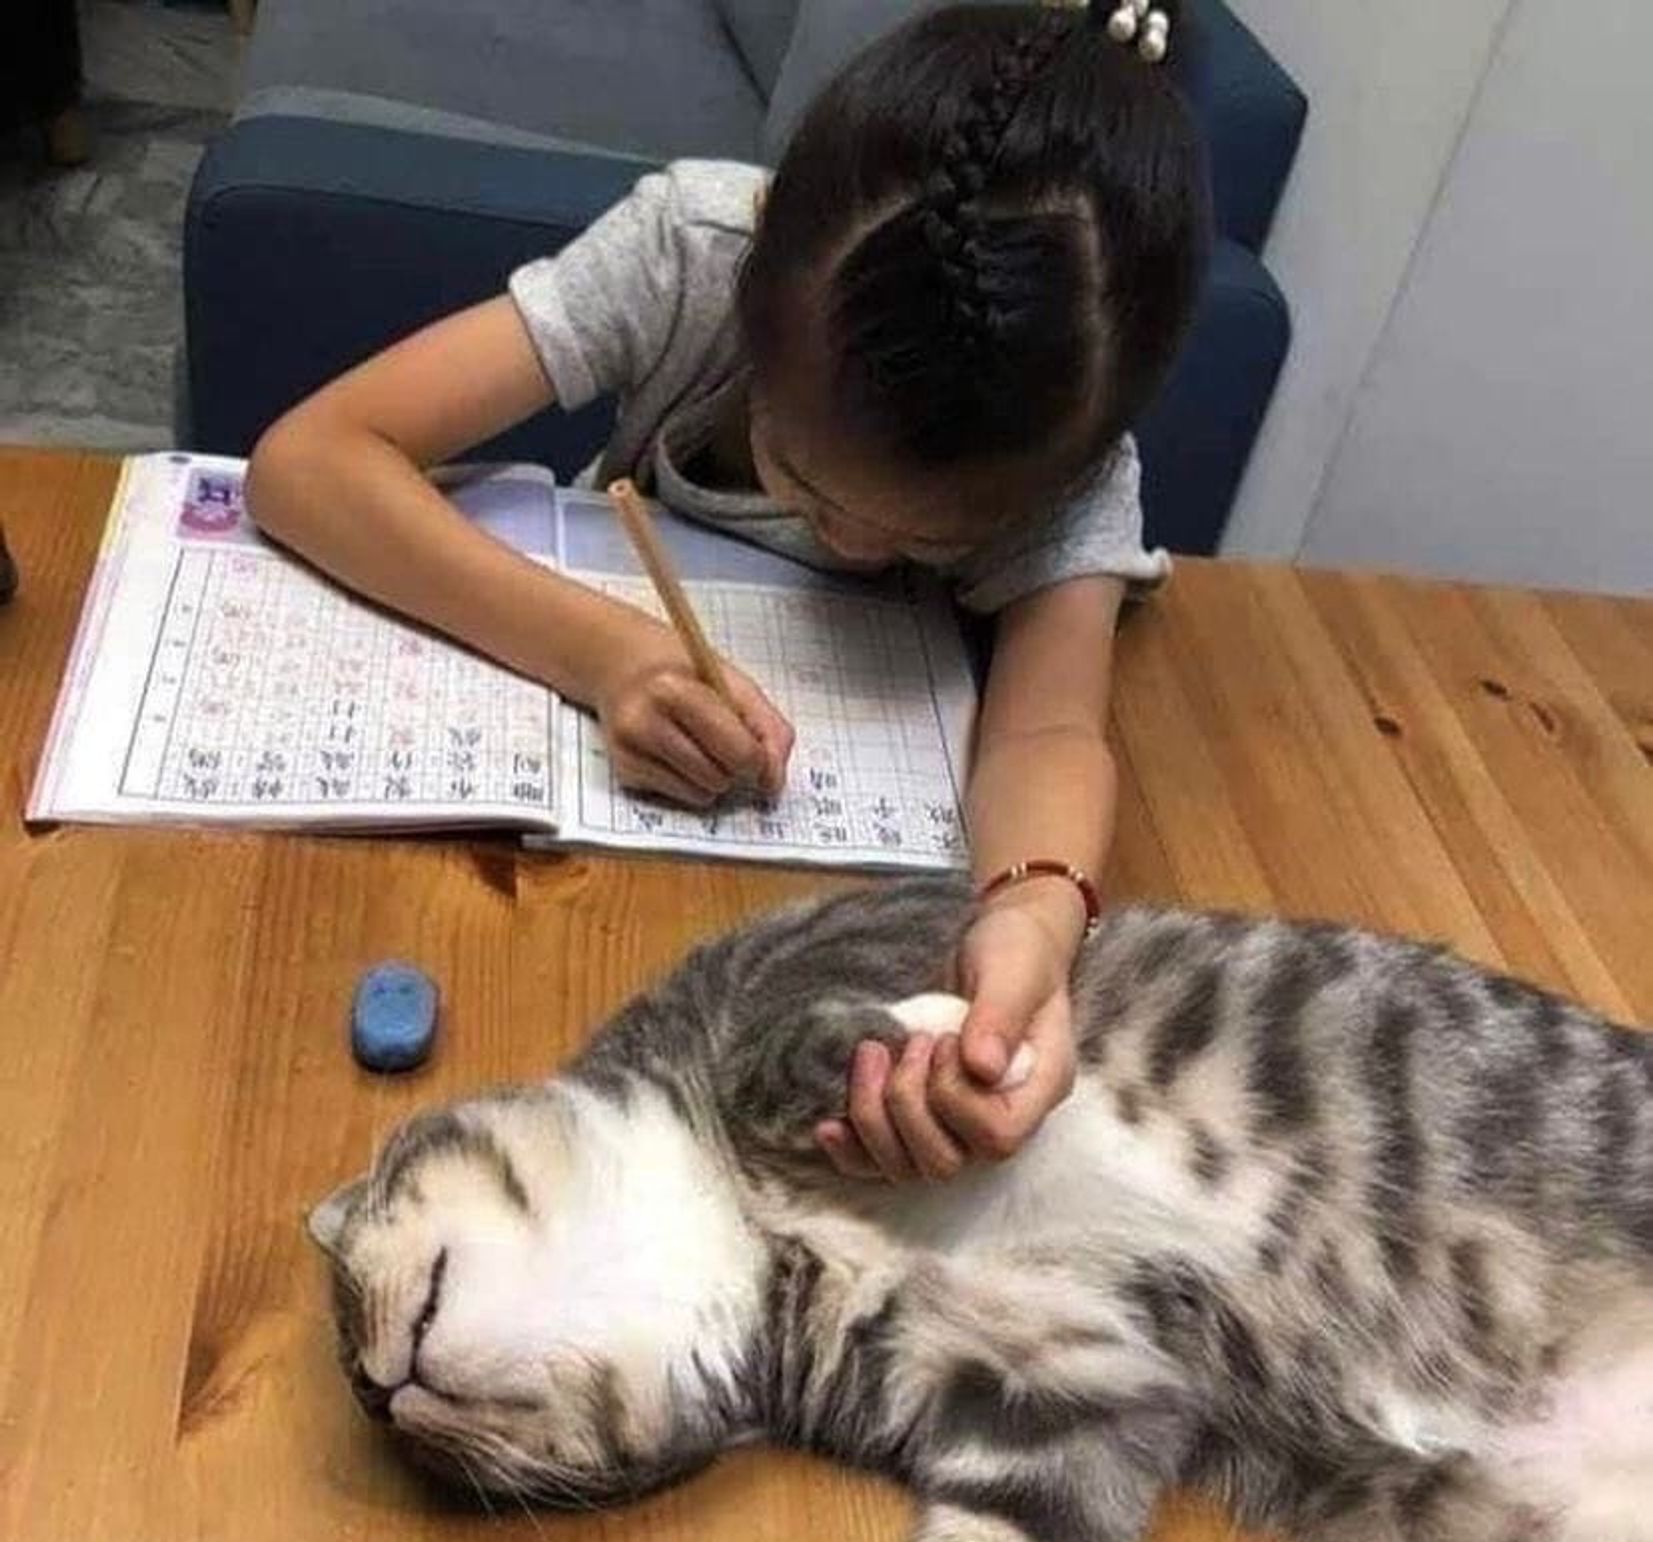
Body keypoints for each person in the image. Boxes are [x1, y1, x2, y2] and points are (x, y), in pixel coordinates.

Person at [246, 1, 1209, 1181]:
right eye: (803, 477)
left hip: (819, 934)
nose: (851, 542)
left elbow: (1052, 727)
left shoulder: (1076, 461)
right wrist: (609, 654)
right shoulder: (692, 253)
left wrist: (1033, 923)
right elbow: (312, 459)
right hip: (576, 887)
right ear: (754, 269)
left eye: (924, 536)